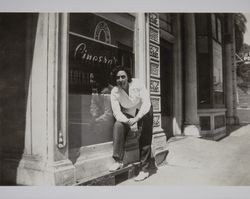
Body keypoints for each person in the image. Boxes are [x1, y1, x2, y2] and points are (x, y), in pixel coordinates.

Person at [109, 65, 156, 181]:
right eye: (118, 78)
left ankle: (144, 169)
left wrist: (137, 119)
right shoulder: (115, 92)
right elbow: (116, 112)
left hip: (144, 111)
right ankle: (118, 161)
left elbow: (146, 103)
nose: (120, 80)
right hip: (129, 114)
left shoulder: (138, 84)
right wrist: (128, 121)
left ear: (128, 77)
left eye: (123, 77)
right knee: (118, 125)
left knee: (145, 135)